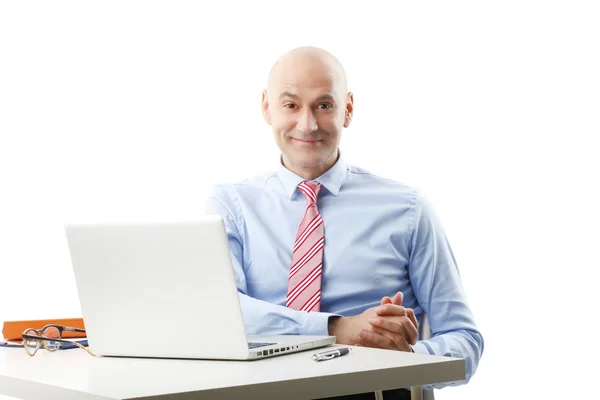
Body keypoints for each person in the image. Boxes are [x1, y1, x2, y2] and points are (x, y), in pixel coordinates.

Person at [204, 46, 483, 399]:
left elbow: (465, 341)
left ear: (347, 109)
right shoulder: (232, 207)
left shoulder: (408, 209)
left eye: (324, 105)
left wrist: (407, 357)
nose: (308, 124)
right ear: (266, 108)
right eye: (291, 105)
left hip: (373, 389)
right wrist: (338, 328)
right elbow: (219, 316)